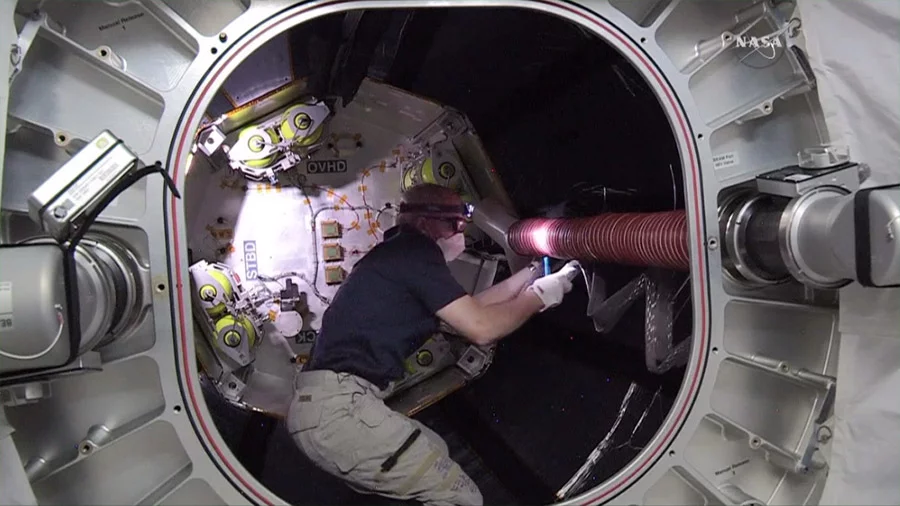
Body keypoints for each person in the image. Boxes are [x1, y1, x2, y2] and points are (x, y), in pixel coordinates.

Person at [287, 183, 578, 506]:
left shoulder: (395, 258)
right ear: (426, 223)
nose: (461, 234)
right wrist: (539, 297)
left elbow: (472, 309)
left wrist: (532, 273)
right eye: (455, 224)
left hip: (324, 411)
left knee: (434, 452)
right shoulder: (415, 253)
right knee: (459, 497)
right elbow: (482, 328)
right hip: (339, 411)